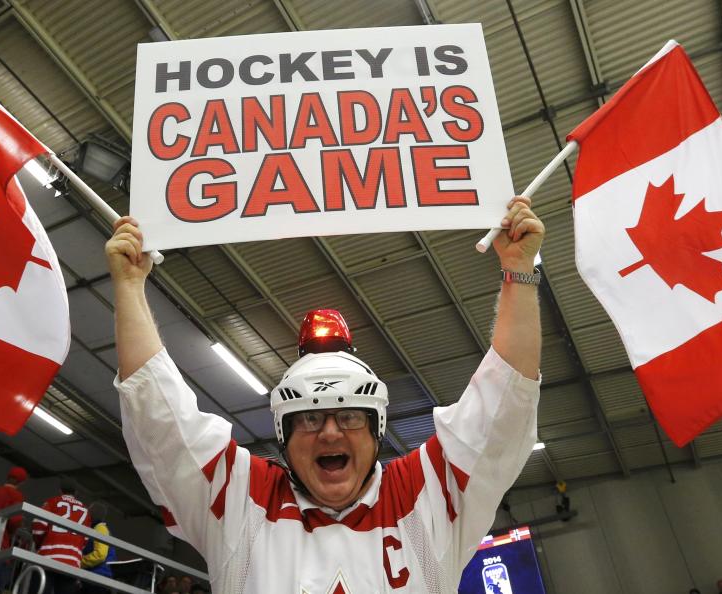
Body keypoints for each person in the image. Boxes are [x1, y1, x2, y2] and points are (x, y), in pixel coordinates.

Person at [107, 193, 543, 592]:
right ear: (283, 435)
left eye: (350, 415)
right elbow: (160, 420)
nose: (330, 433)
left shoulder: (430, 493)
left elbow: (507, 404)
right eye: (310, 418)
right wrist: (128, 287)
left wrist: (520, 272)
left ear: (377, 428)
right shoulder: (239, 502)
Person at [32, 481, 92, 594]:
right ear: (76, 493)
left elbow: (38, 526)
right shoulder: (86, 511)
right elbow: (86, 539)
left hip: (48, 556)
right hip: (72, 562)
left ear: (60, 491)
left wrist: (39, 544)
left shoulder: (52, 502)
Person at [81, 502, 118, 593]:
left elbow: (100, 555)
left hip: (98, 577)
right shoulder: (96, 529)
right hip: (97, 576)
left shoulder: (100, 528)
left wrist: (79, 562)